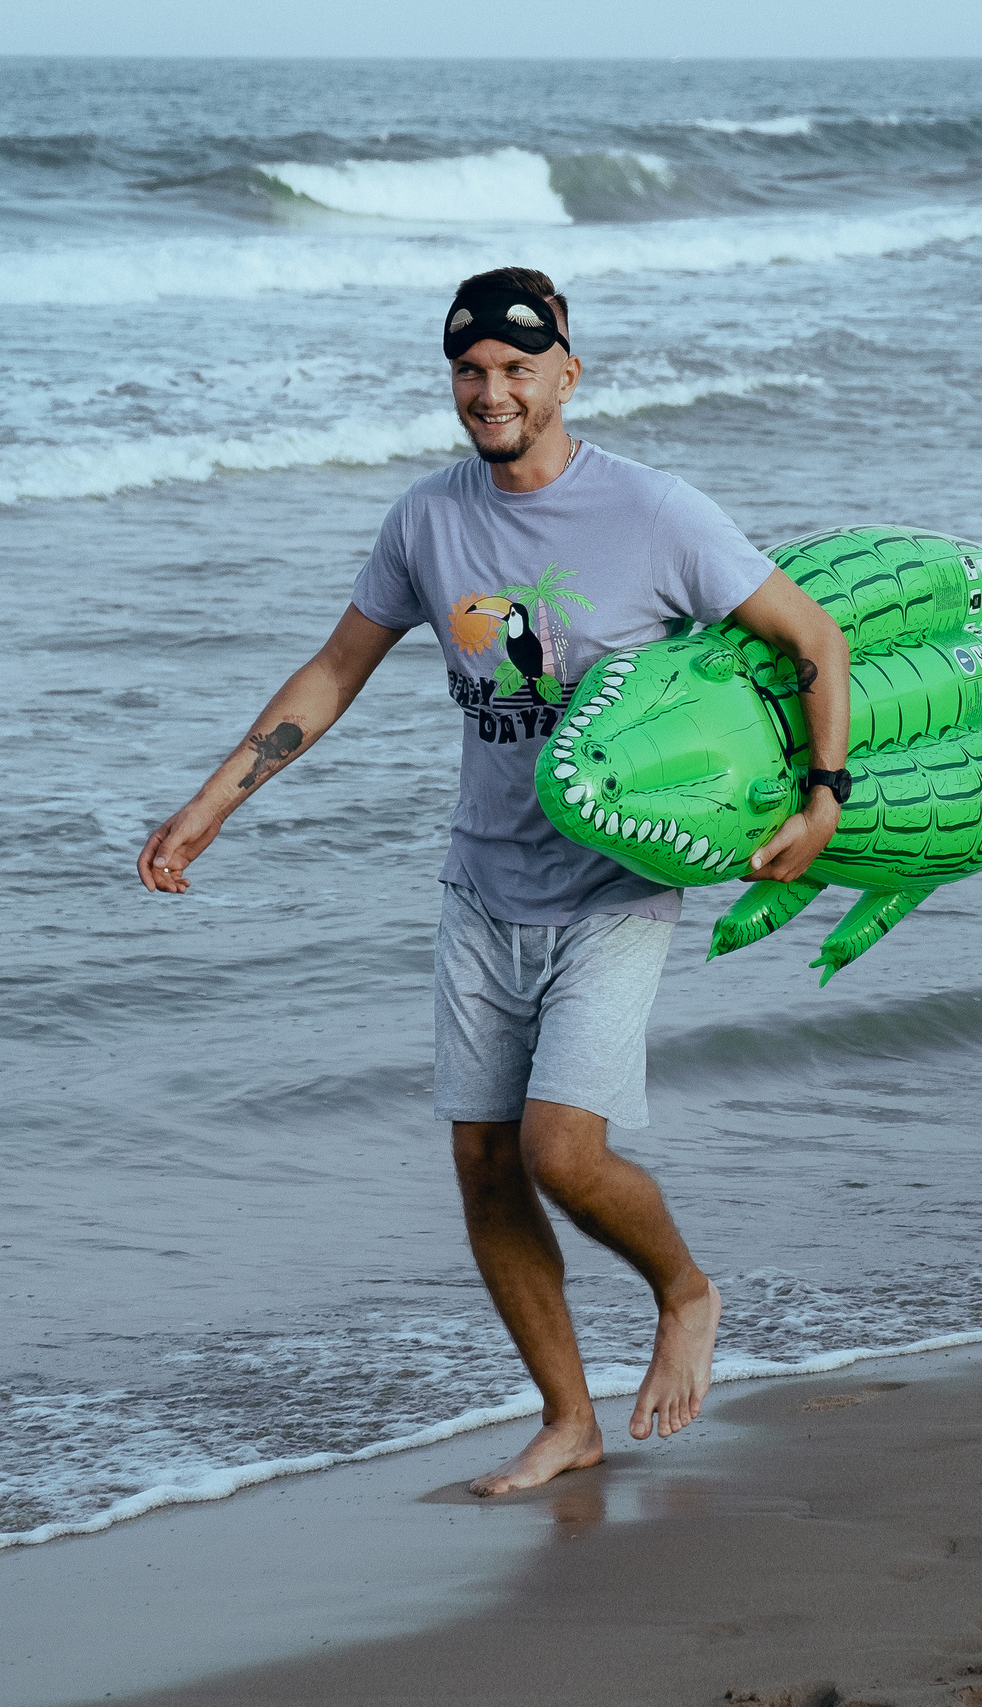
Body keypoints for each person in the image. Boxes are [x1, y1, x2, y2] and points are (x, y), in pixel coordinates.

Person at [136, 268, 851, 1492]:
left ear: (568, 373)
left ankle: (685, 1291)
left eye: (518, 369)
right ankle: (567, 1417)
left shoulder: (656, 513)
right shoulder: (426, 521)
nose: (491, 391)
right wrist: (209, 805)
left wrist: (821, 800)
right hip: (481, 884)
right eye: (470, 371)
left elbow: (813, 642)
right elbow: (336, 667)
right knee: (480, 1160)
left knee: (560, 1153)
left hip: (614, 884)